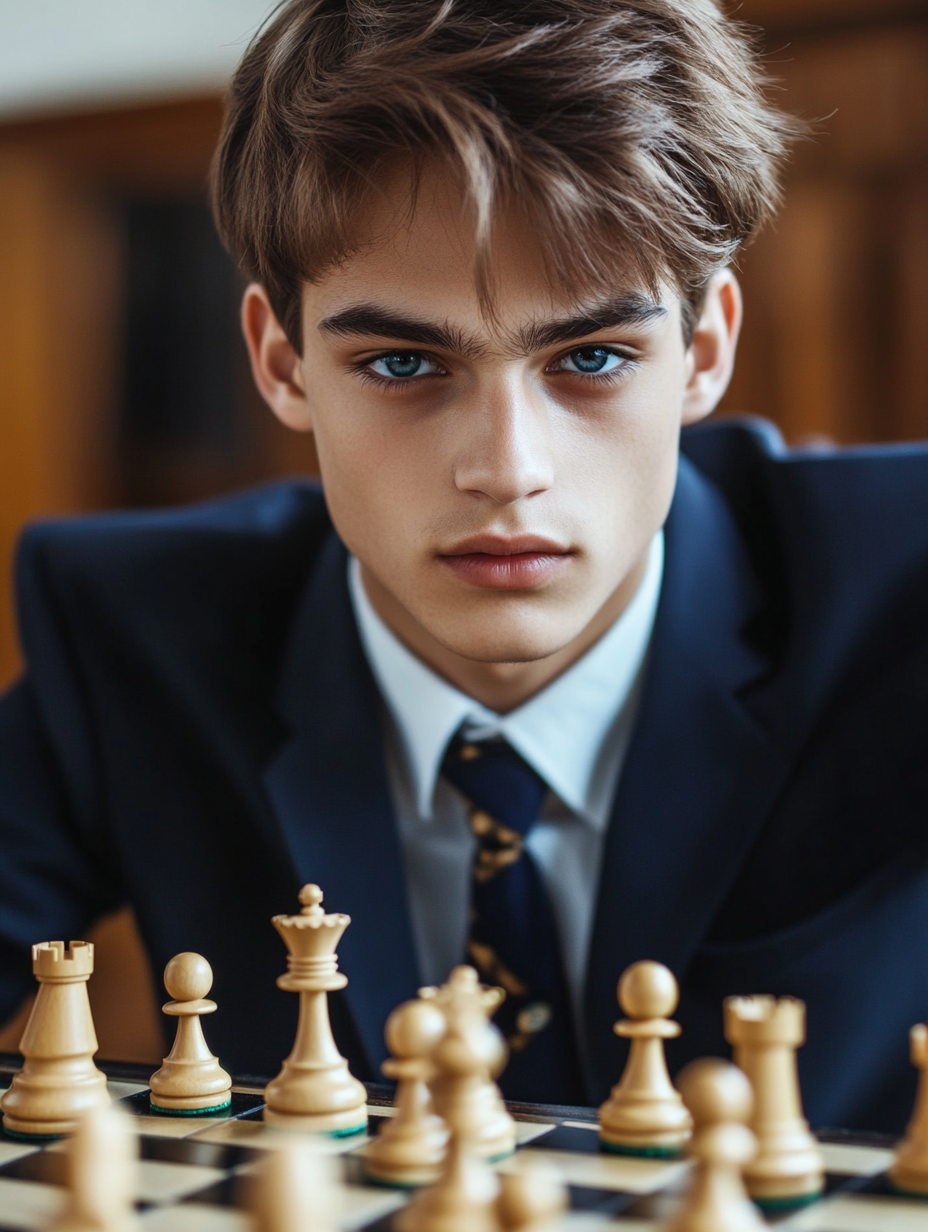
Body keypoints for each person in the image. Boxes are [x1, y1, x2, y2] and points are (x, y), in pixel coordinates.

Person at [1, 0, 927, 1132]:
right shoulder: (137, 633)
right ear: (283, 362)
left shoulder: (904, 583)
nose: (507, 469)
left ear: (705, 347)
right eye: (402, 361)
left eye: (590, 355)